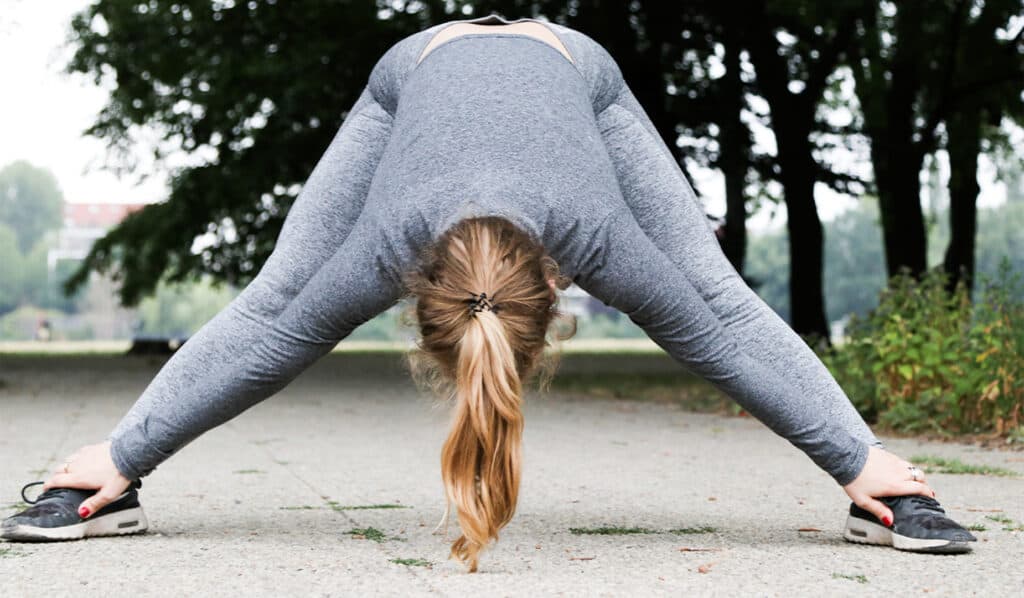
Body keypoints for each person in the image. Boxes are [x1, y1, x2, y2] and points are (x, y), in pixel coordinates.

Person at [2, 14, 975, 569]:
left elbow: (721, 319)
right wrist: (123, 454)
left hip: (573, 72)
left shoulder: (590, 225)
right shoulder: (395, 233)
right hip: (409, 79)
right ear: (556, 290)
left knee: (706, 287)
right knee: (283, 292)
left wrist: (860, 460)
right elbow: (265, 329)